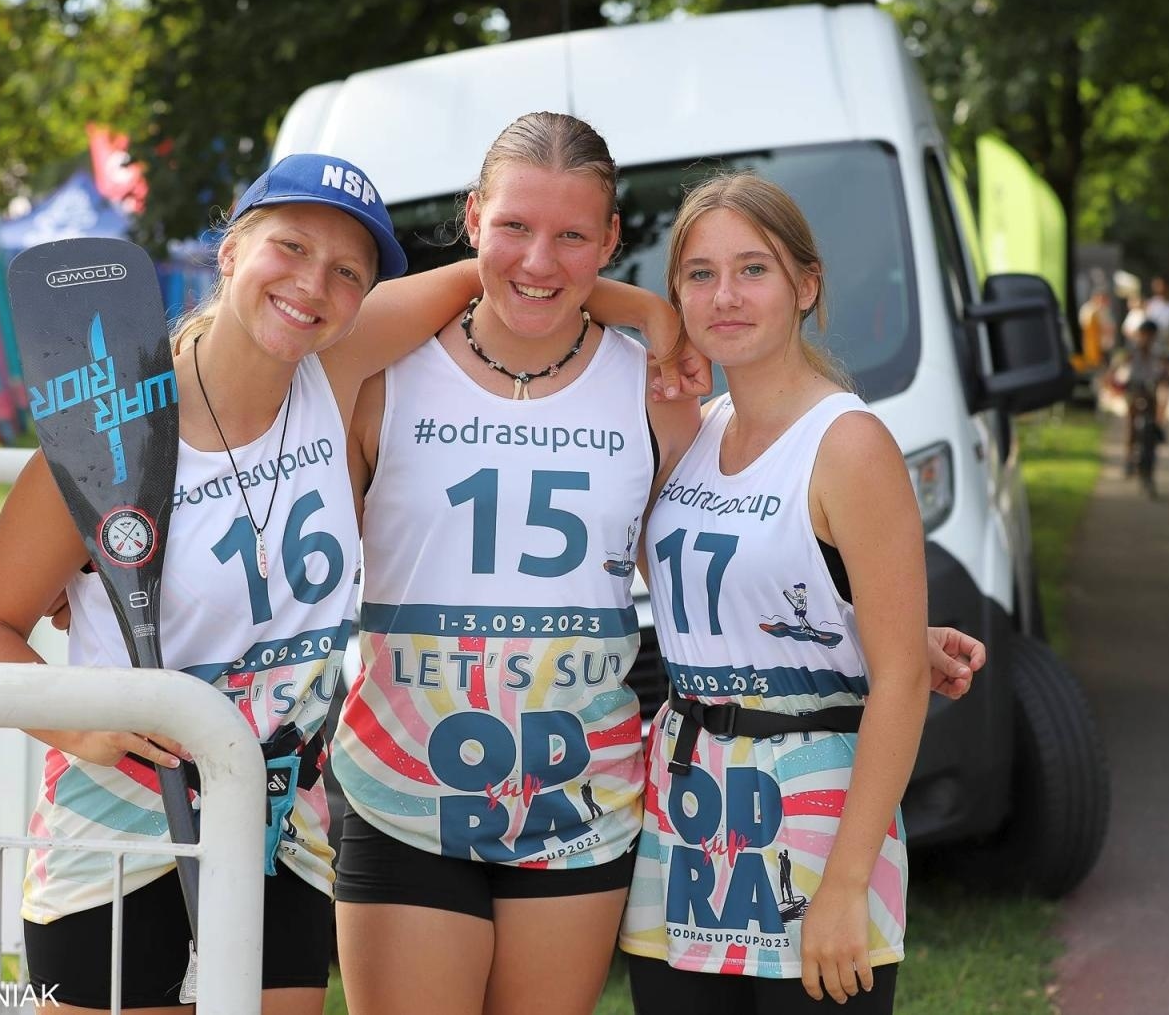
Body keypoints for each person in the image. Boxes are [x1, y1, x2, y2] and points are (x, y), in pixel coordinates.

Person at [0, 152, 683, 1014]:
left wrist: (640, 306)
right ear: (229, 253)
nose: (312, 284)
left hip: (279, 831)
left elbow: (504, 274)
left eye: (346, 272)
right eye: (289, 248)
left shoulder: (336, 381)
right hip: (121, 828)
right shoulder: (109, 443)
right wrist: (88, 724)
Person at [327, 114, 986, 1015]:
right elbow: (724, 572)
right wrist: (633, 302)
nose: (540, 259)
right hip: (515, 797)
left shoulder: (704, 407)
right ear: (474, 217)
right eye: (514, 226)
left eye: (573, 236)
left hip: (625, 805)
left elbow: (803, 570)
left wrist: (891, 639)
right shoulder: (683, 418)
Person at [618, 172, 932, 1012]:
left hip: (815, 827)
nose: (725, 296)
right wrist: (654, 323)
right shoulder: (698, 427)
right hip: (687, 822)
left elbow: (902, 683)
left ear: (807, 283)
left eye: (753, 269)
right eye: (699, 274)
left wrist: (844, 886)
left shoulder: (850, 442)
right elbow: (703, 589)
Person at [1105, 320, 1166, 478]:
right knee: (1132, 423)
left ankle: (1156, 430)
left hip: (1150, 387)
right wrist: (1113, 381)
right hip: (1134, 387)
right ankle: (1128, 458)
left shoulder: (1158, 351)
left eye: (1151, 336)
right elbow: (1115, 367)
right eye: (1145, 335)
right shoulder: (1131, 351)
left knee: (1156, 407)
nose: (1147, 339)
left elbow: (1167, 369)